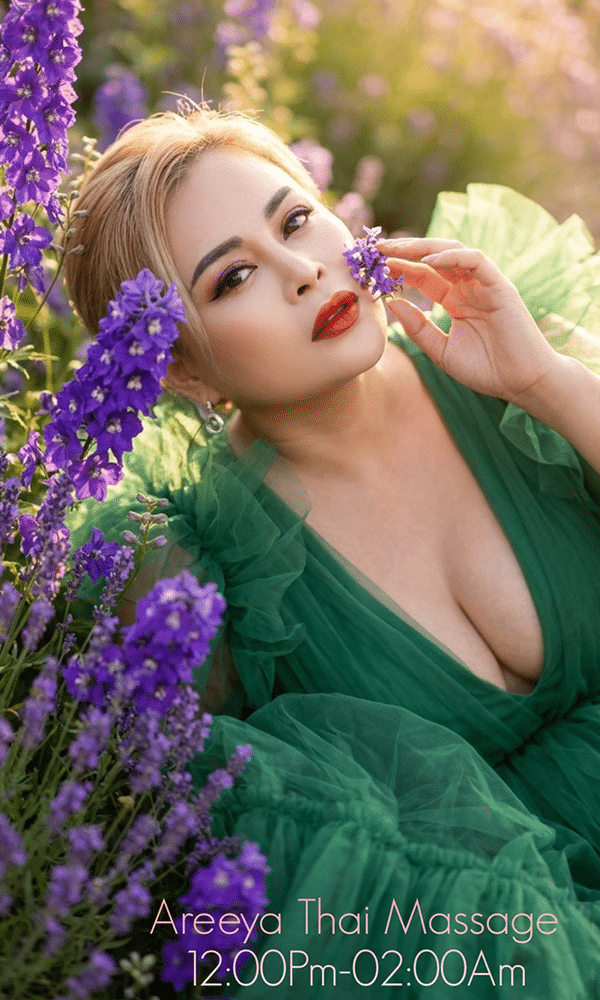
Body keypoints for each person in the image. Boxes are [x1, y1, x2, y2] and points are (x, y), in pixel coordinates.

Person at [66, 106, 600, 998]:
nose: (302, 272)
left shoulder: (510, 356)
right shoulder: (196, 565)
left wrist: (545, 382)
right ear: (183, 371)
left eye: (295, 220)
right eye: (234, 277)